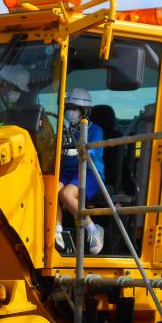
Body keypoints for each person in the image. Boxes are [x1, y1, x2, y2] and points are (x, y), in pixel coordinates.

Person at [56, 87, 105, 255]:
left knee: (66, 194)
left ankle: (93, 229)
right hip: (68, 173)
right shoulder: (67, 131)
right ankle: (57, 231)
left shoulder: (95, 130)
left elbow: (93, 152)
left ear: (84, 110)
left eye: (74, 108)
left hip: (89, 173)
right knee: (52, 190)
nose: (70, 112)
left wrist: (78, 151)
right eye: (68, 108)